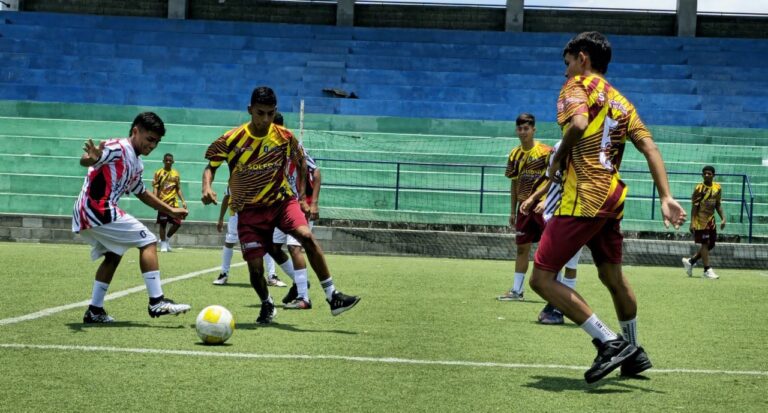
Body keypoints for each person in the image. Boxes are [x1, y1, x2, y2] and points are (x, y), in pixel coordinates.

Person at [527, 32, 686, 383]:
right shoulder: (621, 101)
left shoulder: (575, 87)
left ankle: (609, 342)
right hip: (612, 196)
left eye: (568, 63)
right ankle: (634, 351)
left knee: (540, 278)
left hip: (584, 196)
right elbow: (649, 147)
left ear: (582, 58)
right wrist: (666, 196)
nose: (565, 71)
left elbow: (579, 123)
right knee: (611, 276)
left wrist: (558, 157)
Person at [201, 86, 360, 324]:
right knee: (255, 269)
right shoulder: (231, 139)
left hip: (281, 203)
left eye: (270, 113)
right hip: (248, 211)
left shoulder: (284, 136)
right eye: (260, 113)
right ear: (250, 110)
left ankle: (332, 295)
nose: (266, 119)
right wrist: (206, 187)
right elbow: (210, 166)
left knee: (306, 236)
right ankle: (267, 303)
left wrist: (303, 198)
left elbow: (302, 163)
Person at [73, 112, 191, 323]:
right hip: (97, 209)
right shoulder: (118, 147)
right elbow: (89, 159)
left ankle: (94, 311)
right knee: (149, 241)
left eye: (156, 142)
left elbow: (142, 193)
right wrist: (91, 158)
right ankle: (157, 302)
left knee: (113, 254)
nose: (152, 145)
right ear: (136, 131)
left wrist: (171, 211)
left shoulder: (137, 163)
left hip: (91, 211)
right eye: (150, 139)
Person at [520, 139, 582, 325]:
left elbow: (574, 184)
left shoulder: (584, 148)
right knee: (555, 263)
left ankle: (560, 308)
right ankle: (556, 303)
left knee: (568, 265)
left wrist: (546, 201)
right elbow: (552, 179)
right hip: (555, 215)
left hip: (571, 214)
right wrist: (534, 198)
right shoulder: (559, 146)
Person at [497, 113, 551, 302]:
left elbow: (555, 179)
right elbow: (514, 183)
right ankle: (517, 291)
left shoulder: (546, 152)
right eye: (519, 128)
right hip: (523, 208)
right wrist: (512, 210)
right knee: (522, 248)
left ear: (533, 129)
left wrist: (545, 201)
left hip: (542, 207)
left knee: (551, 250)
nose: (523, 132)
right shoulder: (514, 154)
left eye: (526, 128)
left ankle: (555, 293)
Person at [682, 166, 725, 279]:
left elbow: (718, 204)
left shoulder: (718, 187)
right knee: (705, 243)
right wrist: (692, 222)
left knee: (711, 244)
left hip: (711, 220)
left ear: (713, 175)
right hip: (700, 220)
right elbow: (694, 207)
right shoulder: (699, 188)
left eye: (709, 173)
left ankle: (691, 261)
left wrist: (723, 218)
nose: (706, 175)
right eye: (704, 173)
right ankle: (707, 270)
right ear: (702, 175)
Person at [153, 153, 187, 252]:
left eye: (170, 160)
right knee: (163, 224)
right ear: (163, 161)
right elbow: (155, 187)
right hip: (162, 203)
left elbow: (178, 188)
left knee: (177, 223)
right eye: (166, 160)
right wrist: (155, 200)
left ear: (173, 161)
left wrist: (183, 201)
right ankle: (163, 244)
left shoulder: (176, 174)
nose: (168, 162)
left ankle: (166, 240)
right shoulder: (158, 173)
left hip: (173, 204)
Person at [213, 187, 238, 285]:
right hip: (236, 215)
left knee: (263, 242)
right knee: (230, 240)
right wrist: (221, 218)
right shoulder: (234, 180)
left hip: (254, 215)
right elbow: (227, 197)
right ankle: (224, 273)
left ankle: (271, 275)